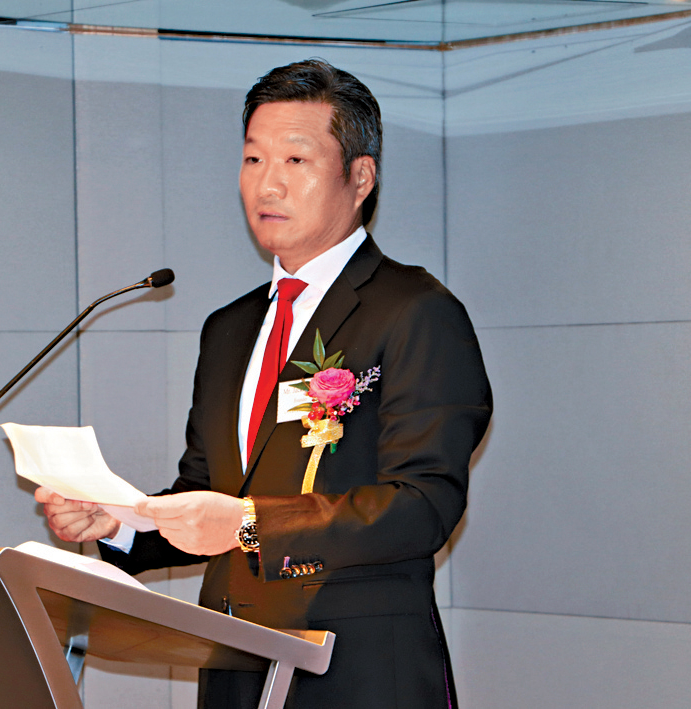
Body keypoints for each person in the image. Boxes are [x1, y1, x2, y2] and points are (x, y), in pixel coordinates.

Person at [36, 58, 492, 709]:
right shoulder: (229, 329)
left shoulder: (414, 311)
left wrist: (250, 524)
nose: (267, 183)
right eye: (253, 159)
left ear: (360, 176)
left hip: (359, 672)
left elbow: (422, 506)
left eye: (295, 160)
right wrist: (121, 521)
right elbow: (207, 493)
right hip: (234, 666)